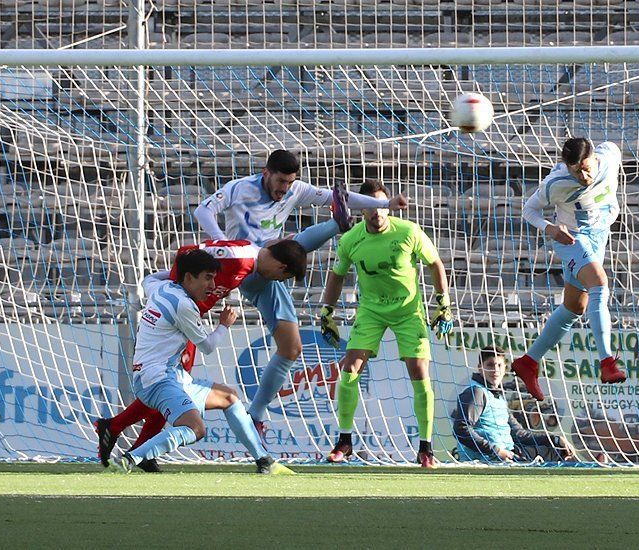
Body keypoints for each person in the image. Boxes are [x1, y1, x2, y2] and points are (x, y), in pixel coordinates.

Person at [193, 150, 409, 433]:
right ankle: (334, 225)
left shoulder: (295, 190)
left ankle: (255, 416)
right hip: (248, 267)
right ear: (266, 173)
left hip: (274, 271)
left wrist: (385, 203)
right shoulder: (239, 188)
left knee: (291, 348)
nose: (284, 189)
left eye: (289, 182)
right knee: (289, 247)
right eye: (280, 181)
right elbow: (202, 211)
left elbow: (336, 197)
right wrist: (224, 244)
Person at [109, 241, 307, 474]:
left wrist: (177, 271)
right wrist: (224, 325)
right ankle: (130, 459)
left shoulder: (161, 289)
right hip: (158, 380)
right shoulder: (184, 306)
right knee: (195, 429)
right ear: (189, 277)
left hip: (162, 376)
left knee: (229, 398)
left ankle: (264, 462)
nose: (213, 286)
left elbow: (148, 279)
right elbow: (207, 346)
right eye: (207, 278)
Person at [319, 180, 453, 468]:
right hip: (371, 310)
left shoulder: (408, 231)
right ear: (362, 210)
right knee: (350, 368)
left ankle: (426, 448)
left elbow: (435, 264)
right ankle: (344, 441)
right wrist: (327, 312)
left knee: (419, 371)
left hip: (408, 311)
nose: (378, 212)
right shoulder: (351, 239)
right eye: (371, 207)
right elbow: (337, 275)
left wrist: (443, 304)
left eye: (382, 205)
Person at [512, 137, 627, 401]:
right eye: (577, 170)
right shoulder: (556, 183)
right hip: (571, 238)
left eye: (587, 167)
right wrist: (550, 229)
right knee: (599, 283)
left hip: (599, 237)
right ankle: (607, 362)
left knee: (575, 307)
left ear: (594, 157)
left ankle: (528, 362)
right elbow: (529, 210)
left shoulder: (609, 157)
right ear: (567, 166)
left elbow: (609, 148)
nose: (584, 175)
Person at [453, 347, 576, 463]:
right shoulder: (476, 392)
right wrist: (496, 451)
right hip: (485, 459)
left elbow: (519, 434)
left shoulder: (499, 397)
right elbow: (461, 429)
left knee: (559, 449)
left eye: (499, 365)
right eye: (490, 365)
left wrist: (555, 439)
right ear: (480, 368)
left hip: (507, 455)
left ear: (505, 368)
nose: (495, 370)